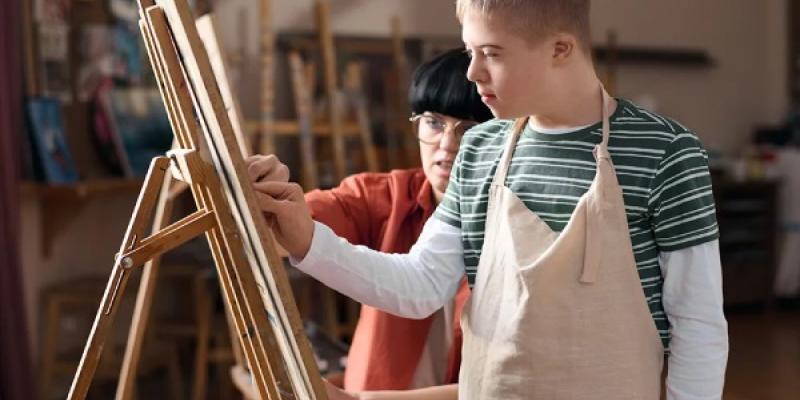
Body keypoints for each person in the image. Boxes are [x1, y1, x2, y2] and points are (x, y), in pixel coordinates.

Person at [249, 1, 729, 399]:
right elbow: (419, 287)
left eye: (492, 53)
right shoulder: (482, 149)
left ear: (561, 48)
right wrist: (308, 240)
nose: (474, 72)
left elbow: (698, 324)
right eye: (470, 51)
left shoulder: (664, 152)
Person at [248, 48, 493, 392]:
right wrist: (264, 198)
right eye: (433, 122)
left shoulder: (516, 226)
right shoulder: (384, 196)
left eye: (469, 128)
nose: (447, 144)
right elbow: (277, 236)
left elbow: (502, 389)